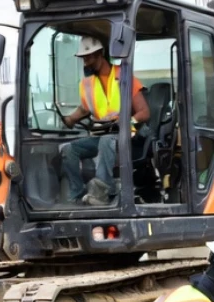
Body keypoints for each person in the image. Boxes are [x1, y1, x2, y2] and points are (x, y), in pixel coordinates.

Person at [61, 35, 150, 206]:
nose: (85, 63)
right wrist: (71, 118)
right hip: (103, 134)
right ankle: (77, 195)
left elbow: (144, 112)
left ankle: (102, 191)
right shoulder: (87, 84)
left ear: (100, 54)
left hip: (127, 134)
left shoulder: (123, 76)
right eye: (83, 59)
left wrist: (125, 123)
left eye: (88, 58)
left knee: (105, 141)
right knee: (68, 150)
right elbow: (85, 108)